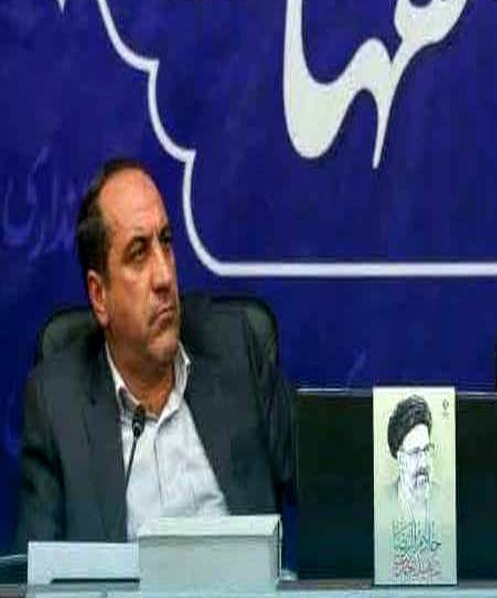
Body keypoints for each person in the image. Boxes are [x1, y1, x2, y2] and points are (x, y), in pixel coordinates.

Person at [15, 158, 295, 544]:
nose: (164, 276)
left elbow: (330, 482)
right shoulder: (56, 403)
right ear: (99, 296)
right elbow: (36, 568)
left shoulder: (234, 348)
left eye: (165, 242)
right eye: (138, 253)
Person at [386, 396, 435, 522]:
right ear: (401, 460)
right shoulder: (383, 502)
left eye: (427, 449)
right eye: (415, 453)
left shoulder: (444, 497)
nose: (424, 463)